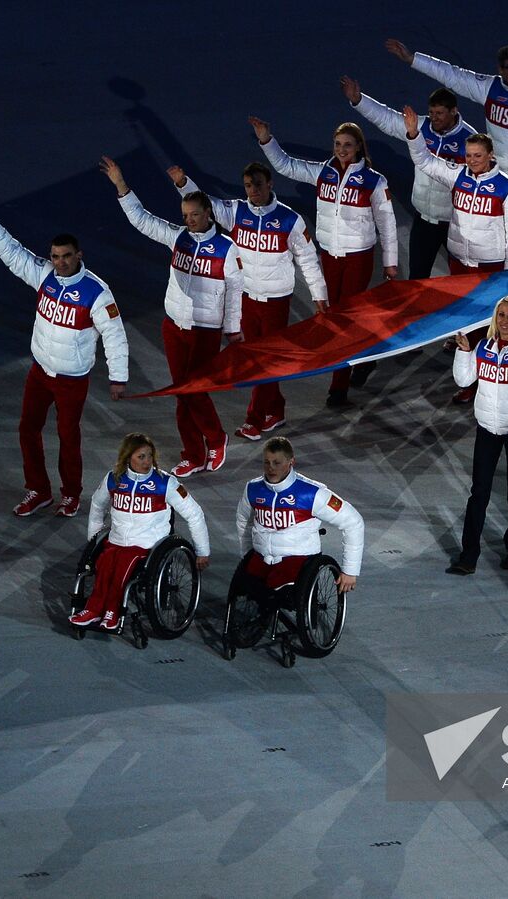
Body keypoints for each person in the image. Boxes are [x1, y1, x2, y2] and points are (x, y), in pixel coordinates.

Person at [0, 191, 129, 519]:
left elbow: (114, 335)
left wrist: (118, 376)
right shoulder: (45, 277)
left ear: (79, 255)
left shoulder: (97, 292)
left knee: (68, 437)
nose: (60, 262)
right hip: (40, 373)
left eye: (66, 256)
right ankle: (39, 490)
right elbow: (14, 255)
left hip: (72, 380)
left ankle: (70, 494)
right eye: (55, 256)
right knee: (28, 429)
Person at [100, 157, 243, 476]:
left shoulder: (227, 249)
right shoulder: (177, 237)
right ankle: (192, 454)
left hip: (204, 330)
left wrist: (233, 331)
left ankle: (217, 439)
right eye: (185, 216)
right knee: (182, 392)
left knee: (193, 389)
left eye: (195, 215)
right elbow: (142, 219)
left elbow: (234, 292)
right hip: (173, 327)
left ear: (208, 214)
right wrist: (121, 186)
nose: (190, 221)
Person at [165, 161, 327, 440]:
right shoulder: (236, 212)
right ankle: (275, 409)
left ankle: (255, 419)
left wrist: (319, 294)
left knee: (262, 361)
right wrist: (183, 184)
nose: (253, 191)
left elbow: (308, 259)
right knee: (258, 360)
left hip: (275, 302)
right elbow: (206, 206)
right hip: (244, 300)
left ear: (270, 185)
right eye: (248, 186)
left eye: (258, 185)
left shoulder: (290, 220)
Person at [250, 116, 399, 407]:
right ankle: (366, 359)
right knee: (338, 317)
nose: (342, 149)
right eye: (337, 144)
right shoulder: (323, 173)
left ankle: (338, 387)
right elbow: (286, 166)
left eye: (347, 145)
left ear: (358, 147)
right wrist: (267, 140)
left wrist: (390, 262)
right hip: (329, 257)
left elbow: (388, 224)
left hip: (358, 259)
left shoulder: (374, 181)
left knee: (340, 321)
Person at [386, 39, 508, 262]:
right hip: (496, 175)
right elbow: (452, 75)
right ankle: (499, 283)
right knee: (494, 234)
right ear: (501, 70)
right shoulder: (490, 88)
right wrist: (412, 59)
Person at [69, 433, 211, 631]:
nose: (147, 462)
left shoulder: (165, 483)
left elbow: (195, 514)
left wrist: (202, 551)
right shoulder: (114, 479)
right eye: (141, 457)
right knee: (104, 564)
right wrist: (93, 539)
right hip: (116, 541)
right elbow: (97, 505)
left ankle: (112, 613)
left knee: (122, 567)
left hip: (147, 545)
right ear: (128, 458)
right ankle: (92, 610)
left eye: (149, 456)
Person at [447, 296, 508, 575]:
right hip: (487, 430)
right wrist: (463, 352)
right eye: (501, 315)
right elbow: (464, 380)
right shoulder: (484, 347)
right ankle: (468, 556)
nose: (504, 321)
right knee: (479, 492)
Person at [343, 76, 478, 279]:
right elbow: (387, 119)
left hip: (456, 222)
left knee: (464, 277)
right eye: (432, 112)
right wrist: (359, 100)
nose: (434, 118)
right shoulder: (419, 127)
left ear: (454, 111)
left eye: (440, 113)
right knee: (417, 276)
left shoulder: (469, 139)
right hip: (424, 219)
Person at [401, 105, 508, 273]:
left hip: (490, 264)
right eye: (468, 155)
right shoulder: (457, 175)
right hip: (458, 262)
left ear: (490, 155)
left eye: (478, 155)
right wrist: (414, 135)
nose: (472, 161)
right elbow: (425, 161)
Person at [236, 437, 365, 599]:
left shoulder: (312, 493)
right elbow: (243, 520)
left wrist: (350, 571)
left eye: (277, 463)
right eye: (266, 462)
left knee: (275, 591)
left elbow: (353, 522)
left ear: (291, 462)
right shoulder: (253, 489)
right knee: (247, 585)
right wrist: (247, 553)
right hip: (262, 557)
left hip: (298, 559)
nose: (271, 468)